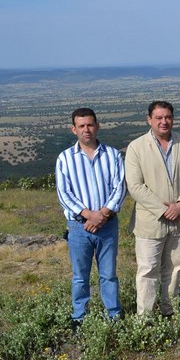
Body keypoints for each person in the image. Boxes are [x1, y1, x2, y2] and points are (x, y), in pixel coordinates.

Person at [125, 101, 180, 317]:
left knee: (176, 267)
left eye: (167, 117)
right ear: (149, 120)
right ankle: (145, 319)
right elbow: (135, 186)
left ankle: (170, 312)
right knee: (148, 270)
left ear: (173, 118)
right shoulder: (136, 147)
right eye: (158, 117)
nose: (164, 121)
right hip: (151, 222)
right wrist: (163, 209)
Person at [55, 108, 126, 327]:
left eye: (90, 124)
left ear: (97, 126)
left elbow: (120, 187)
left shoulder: (112, 155)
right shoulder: (65, 158)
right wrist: (88, 215)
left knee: (109, 275)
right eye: (81, 126)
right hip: (78, 227)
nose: (87, 129)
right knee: (79, 276)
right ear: (73, 129)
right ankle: (79, 316)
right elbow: (63, 193)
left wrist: (102, 214)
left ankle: (113, 315)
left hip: (107, 224)